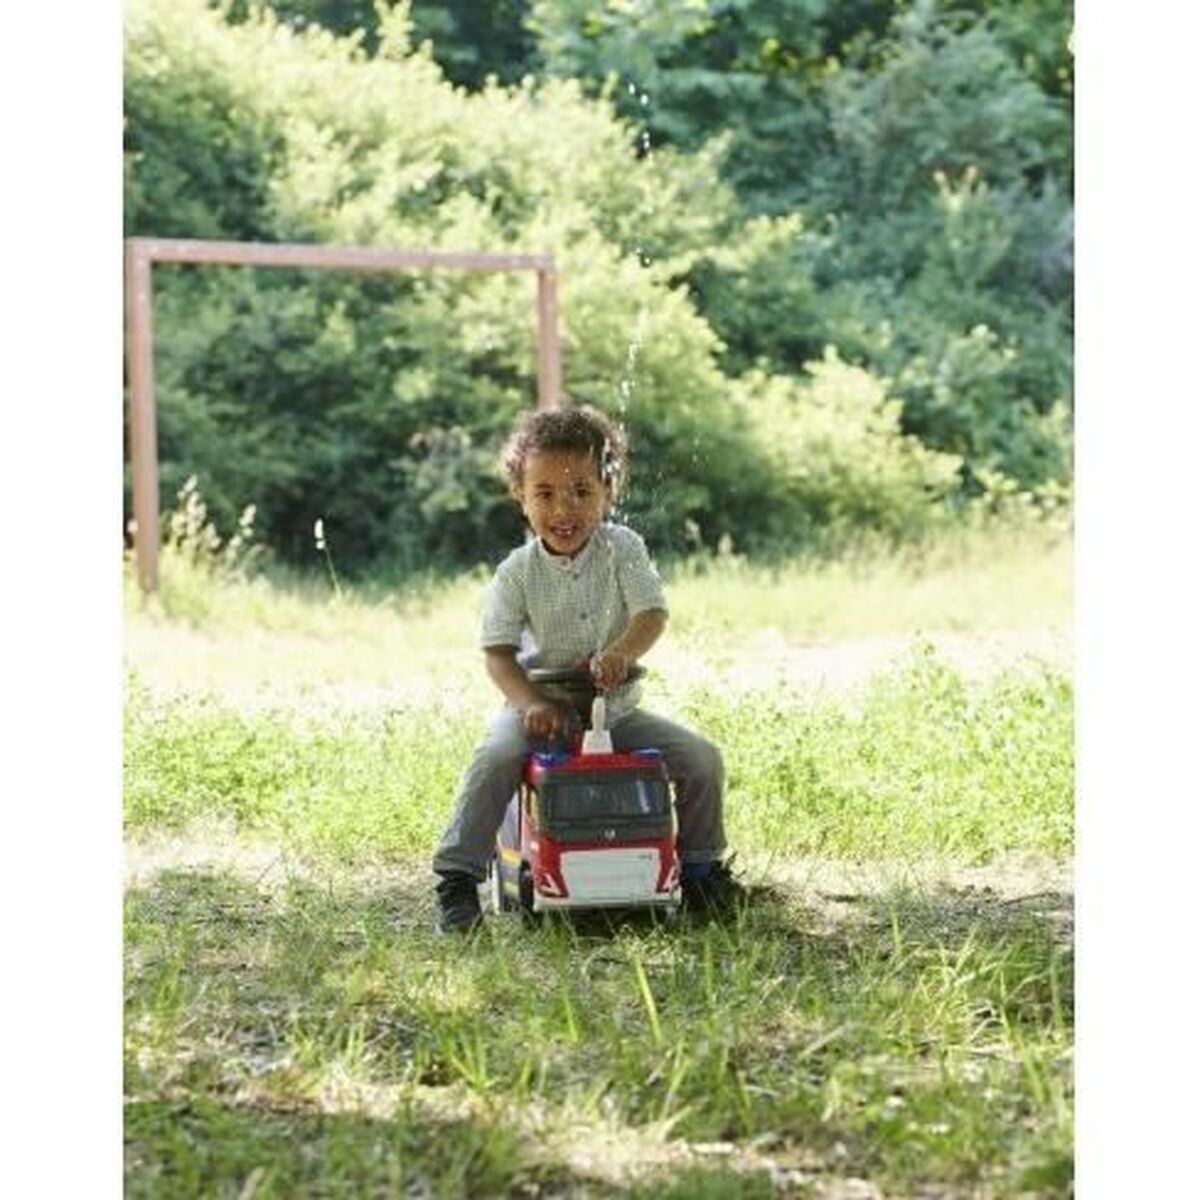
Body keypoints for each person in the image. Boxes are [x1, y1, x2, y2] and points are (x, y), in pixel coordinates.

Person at [432, 403, 745, 933]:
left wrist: (622, 652)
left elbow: (651, 613)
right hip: (537, 712)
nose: (564, 509)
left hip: (612, 715)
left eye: (582, 491)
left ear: (608, 491)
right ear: (520, 496)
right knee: (496, 755)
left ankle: (700, 871)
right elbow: (498, 654)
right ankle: (456, 878)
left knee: (700, 758)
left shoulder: (623, 548)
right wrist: (530, 703)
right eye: (545, 494)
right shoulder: (516, 573)